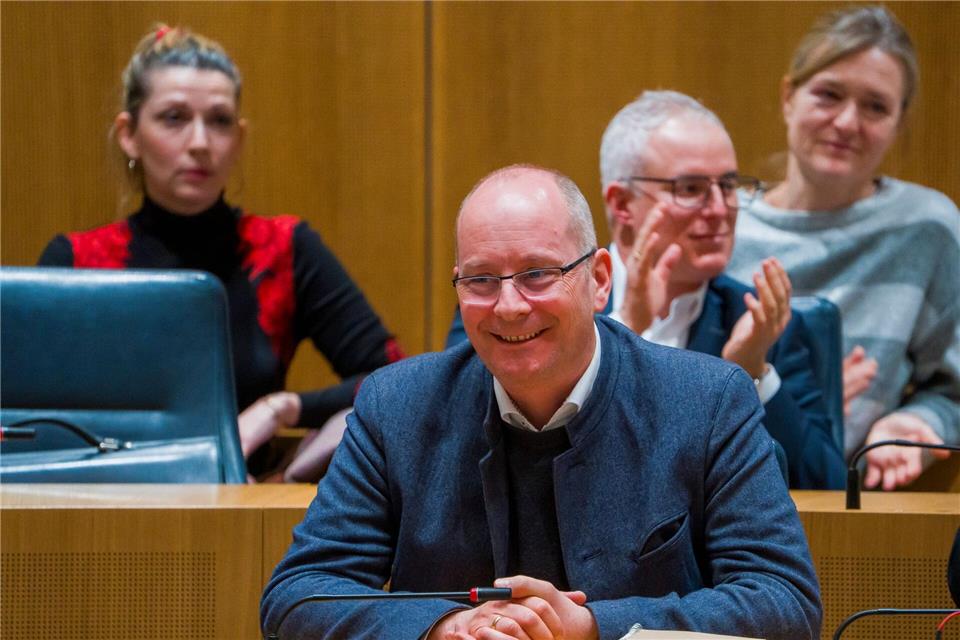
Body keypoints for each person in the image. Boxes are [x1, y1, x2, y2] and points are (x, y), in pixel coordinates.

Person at [261, 165, 821, 640]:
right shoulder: (396, 405)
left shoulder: (709, 400)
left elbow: (786, 601)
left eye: (537, 274)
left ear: (599, 280)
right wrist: (443, 627)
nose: (507, 306)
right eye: (480, 279)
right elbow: (298, 596)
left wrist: (594, 627)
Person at [37, 25, 403, 481]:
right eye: (173, 118)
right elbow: (23, 414)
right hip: (97, 508)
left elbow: (395, 381)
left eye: (219, 120)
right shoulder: (74, 261)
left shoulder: (285, 249)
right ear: (129, 134)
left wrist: (283, 408)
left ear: (240, 138)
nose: (200, 143)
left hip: (241, 508)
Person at [447, 91, 845, 489]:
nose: (721, 209)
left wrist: (750, 372)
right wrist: (623, 329)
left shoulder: (758, 319)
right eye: (691, 189)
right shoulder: (506, 301)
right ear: (621, 203)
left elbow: (828, 490)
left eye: (728, 186)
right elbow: (456, 441)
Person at [727, 6, 960, 491]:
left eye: (875, 106)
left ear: (898, 123)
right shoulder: (721, 222)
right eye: (828, 94)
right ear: (789, 96)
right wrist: (805, 403)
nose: (847, 122)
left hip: (856, 510)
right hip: (719, 500)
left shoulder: (928, 227)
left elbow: (953, 389)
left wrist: (914, 425)